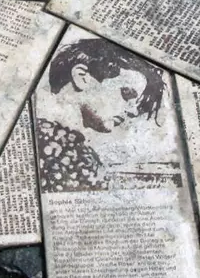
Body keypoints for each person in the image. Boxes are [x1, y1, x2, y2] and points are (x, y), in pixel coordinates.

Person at [35, 37, 166, 192]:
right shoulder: (57, 152)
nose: (133, 111)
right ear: (82, 77)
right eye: (126, 93)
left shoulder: (64, 146)